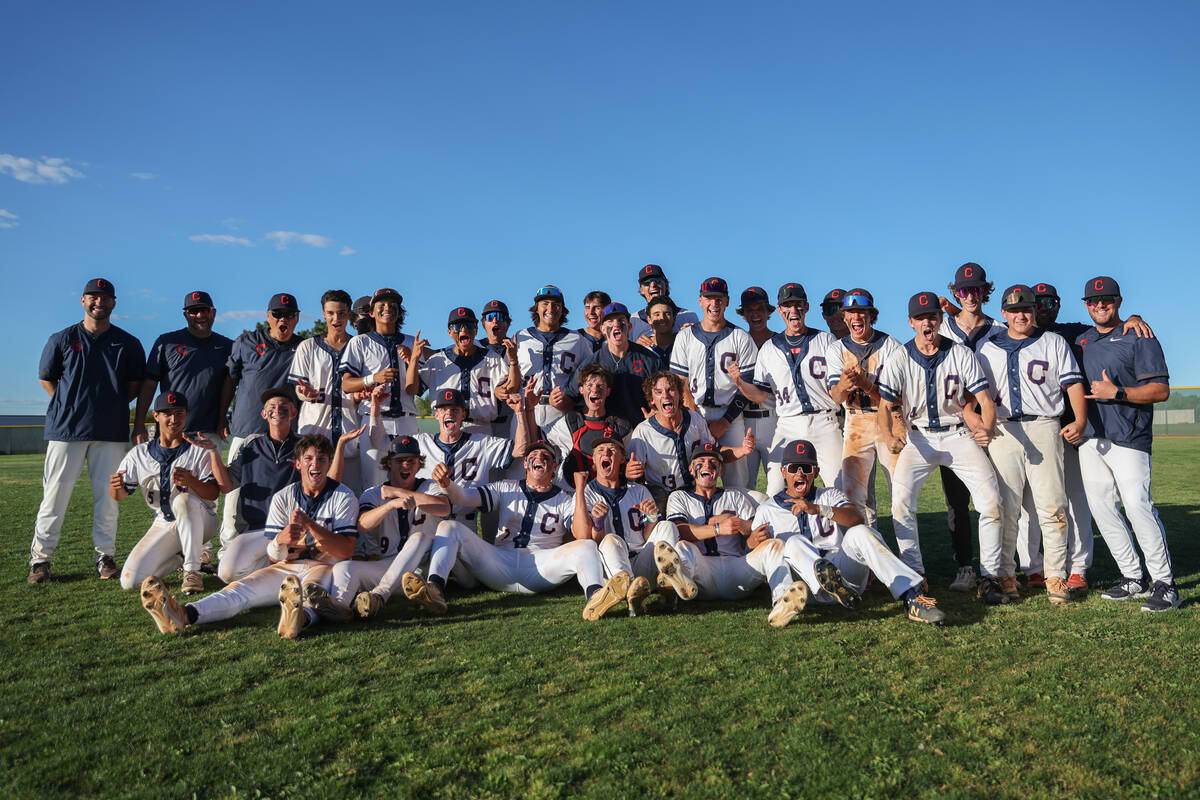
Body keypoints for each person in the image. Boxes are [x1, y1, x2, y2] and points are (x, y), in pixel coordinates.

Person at [138, 433, 359, 638]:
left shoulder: (343, 496)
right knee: (240, 589)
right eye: (309, 458)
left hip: (325, 567)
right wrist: (281, 540)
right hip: (287, 567)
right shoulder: (284, 497)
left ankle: (299, 619)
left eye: (321, 459)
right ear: (298, 463)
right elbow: (274, 557)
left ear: (329, 463)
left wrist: (311, 526)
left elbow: (345, 551)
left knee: (312, 595)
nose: (315, 464)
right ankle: (184, 614)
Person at [397, 440, 631, 621]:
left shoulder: (564, 498)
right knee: (449, 527)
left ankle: (595, 597)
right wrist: (447, 485)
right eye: (533, 456)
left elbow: (581, 534)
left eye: (545, 456)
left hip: (542, 565)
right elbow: (465, 497)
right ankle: (435, 590)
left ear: (553, 466)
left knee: (587, 545)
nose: (538, 457)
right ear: (526, 464)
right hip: (500, 561)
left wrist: (579, 489)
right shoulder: (506, 487)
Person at [876, 291, 1005, 602]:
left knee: (991, 503)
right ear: (911, 323)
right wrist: (889, 435)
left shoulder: (960, 353)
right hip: (919, 437)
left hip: (958, 434)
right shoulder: (900, 357)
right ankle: (914, 575)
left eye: (932, 317)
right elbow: (883, 405)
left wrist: (986, 428)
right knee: (901, 505)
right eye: (920, 318)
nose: (927, 323)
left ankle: (989, 576)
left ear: (940, 319)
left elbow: (985, 401)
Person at [751, 439, 946, 625]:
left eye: (807, 468)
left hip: (845, 578)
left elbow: (856, 518)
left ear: (816, 472)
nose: (800, 475)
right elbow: (755, 554)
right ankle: (805, 593)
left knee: (860, 532)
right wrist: (752, 540)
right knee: (793, 543)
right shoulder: (767, 509)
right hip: (804, 590)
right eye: (794, 469)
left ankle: (911, 598)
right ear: (783, 471)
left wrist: (818, 509)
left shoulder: (829, 495)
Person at [29, 277, 146, 583]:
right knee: (54, 497)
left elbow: (133, 387)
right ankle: (40, 560)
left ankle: (105, 556)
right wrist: (71, 403)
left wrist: (105, 404)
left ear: (113, 303)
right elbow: (47, 379)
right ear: (82, 301)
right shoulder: (62, 338)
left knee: (108, 498)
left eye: (105, 298)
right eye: (93, 297)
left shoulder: (128, 343)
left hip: (110, 431)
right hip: (66, 431)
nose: (99, 302)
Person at [976, 285, 1086, 605]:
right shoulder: (987, 346)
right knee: (1006, 508)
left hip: (1044, 424)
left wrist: (1078, 420)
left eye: (1026, 309)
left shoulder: (1052, 342)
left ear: (1035, 311)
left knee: (1052, 505)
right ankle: (1007, 574)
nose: (1020, 315)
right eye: (1013, 310)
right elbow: (975, 392)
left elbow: (1073, 383)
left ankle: (1055, 575)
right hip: (1003, 430)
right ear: (1003, 314)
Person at [1074, 276, 1178, 611]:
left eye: (1107, 300)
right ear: (1086, 304)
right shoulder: (1081, 339)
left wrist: (1118, 392)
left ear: (1119, 301)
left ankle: (1165, 583)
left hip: (1129, 437)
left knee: (1137, 506)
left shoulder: (1138, 336)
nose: (1100, 305)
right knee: (1103, 509)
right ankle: (1133, 577)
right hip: (1092, 439)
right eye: (1093, 301)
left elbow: (1160, 391)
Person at [653, 442, 807, 627]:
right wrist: (718, 528)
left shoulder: (735, 496)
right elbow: (679, 530)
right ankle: (680, 582)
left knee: (775, 545)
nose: (707, 465)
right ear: (691, 469)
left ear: (720, 471)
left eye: (713, 462)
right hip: (702, 571)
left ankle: (782, 602)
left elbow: (755, 531)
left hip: (737, 567)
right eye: (701, 461)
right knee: (682, 547)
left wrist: (742, 526)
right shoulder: (679, 497)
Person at [313, 435, 451, 621]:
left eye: (412, 460)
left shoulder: (428, 486)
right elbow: (361, 524)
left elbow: (444, 508)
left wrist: (397, 493)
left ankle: (379, 596)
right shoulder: (374, 493)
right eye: (399, 461)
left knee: (419, 537)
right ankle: (339, 607)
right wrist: (390, 505)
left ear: (419, 464)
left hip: (421, 571)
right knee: (345, 567)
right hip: (388, 567)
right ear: (389, 464)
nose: (406, 465)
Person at [725, 282, 841, 495]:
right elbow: (760, 395)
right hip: (788, 423)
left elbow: (837, 387)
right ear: (780, 310)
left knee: (839, 486)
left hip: (825, 420)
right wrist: (739, 382)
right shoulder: (770, 347)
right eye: (787, 305)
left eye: (798, 305)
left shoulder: (825, 339)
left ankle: (845, 528)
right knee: (777, 489)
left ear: (806, 307)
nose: (793, 310)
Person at [112, 392, 222, 594]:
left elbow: (213, 493)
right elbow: (119, 495)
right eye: (167, 414)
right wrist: (116, 486)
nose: (174, 419)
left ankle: (192, 571)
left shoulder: (198, 449)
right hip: (164, 522)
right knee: (130, 581)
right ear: (156, 416)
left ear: (187, 414)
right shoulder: (139, 453)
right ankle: (181, 556)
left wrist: (192, 482)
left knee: (183, 500)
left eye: (179, 413)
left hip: (202, 519)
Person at [217, 292, 302, 547]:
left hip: (284, 437)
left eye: (289, 315)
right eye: (277, 314)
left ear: (297, 319)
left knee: (281, 497)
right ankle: (228, 549)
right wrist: (222, 416)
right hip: (246, 429)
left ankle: (278, 549)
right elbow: (230, 380)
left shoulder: (304, 347)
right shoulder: (247, 341)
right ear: (268, 317)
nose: (282, 319)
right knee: (235, 497)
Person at [824, 289, 904, 527]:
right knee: (855, 497)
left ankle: (911, 562)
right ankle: (867, 560)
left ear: (871, 315)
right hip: (856, 420)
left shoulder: (890, 345)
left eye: (862, 312)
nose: (856, 317)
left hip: (890, 419)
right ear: (844, 317)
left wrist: (866, 384)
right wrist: (844, 385)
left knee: (901, 494)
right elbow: (836, 396)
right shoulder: (836, 349)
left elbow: (896, 398)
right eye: (851, 312)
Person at [670, 276, 758, 489]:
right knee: (692, 473)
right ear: (700, 301)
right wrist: (695, 414)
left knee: (737, 481)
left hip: (729, 414)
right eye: (709, 298)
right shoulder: (685, 337)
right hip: (695, 411)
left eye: (719, 298)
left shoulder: (740, 336)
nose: (714, 303)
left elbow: (747, 387)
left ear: (727, 302)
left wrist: (724, 422)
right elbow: (680, 380)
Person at [215, 387, 303, 583]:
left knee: (304, 570)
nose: (277, 410)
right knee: (226, 573)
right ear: (264, 414)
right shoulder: (250, 444)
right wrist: (213, 452)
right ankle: (272, 568)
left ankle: (277, 567)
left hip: (290, 530)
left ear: (294, 412)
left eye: (284, 406)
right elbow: (227, 485)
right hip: (256, 528)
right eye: (271, 407)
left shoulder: (304, 446)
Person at [627, 370, 749, 508]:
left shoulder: (694, 419)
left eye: (671, 390)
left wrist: (743, 450)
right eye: (658, 392)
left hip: (695, 492)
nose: (666, 396)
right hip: (662, 497)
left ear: (680, 394)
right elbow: (631, 479)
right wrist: (629, 472)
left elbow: (715, 453)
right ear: (651, 400)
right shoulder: (643, 432)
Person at [339, 287, 420, 485]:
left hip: (407, 420)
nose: (387, 308)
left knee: (410, 484)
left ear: (399, 312)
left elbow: (413, 390)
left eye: (393, 305)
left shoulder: (411, 342)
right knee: (373, 485)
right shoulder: (360, 342)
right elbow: (346, 384)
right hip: (374, 418)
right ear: (371, 312)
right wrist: (373, 378)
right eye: (381, 304)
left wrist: (413, 362)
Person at [134, 290, 233, 446]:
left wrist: (222, 419)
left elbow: (230, 385)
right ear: (186, 315)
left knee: (209, 472)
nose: (200, 315)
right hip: (170, 430)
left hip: (208, 431)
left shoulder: (227, 346)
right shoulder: (167, 342)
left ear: (213, 312)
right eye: (194, 311)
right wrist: (139, 424)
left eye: (204, 310)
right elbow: (149, 384)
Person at [289, 290, 363, 492]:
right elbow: (299, 388)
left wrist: (359, 395)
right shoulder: (308, 347)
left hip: (351, 433)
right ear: (323, 313)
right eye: (330, 313)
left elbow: (361, 387)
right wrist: (305, 393)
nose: (336, 318)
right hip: (314, 433)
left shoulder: (359, 346)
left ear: (349, 314)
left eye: (341, 313)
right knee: (313, 496)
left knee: (351, 498)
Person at [413, 388, 515, 532]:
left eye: (455, 410)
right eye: (443, 409)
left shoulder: (481, 443)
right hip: (428, 521)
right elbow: (383, 443)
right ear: (436, 414)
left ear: (463, 415)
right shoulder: (421, 442)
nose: (449, 413)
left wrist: (522, 411)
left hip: (465, 522)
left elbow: (519, 450)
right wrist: (374, 410)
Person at [410, 306, 519, 437]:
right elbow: (414, 390)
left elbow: (511, 388)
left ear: (476, 329)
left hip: (482, 427)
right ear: (449, 332)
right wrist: (414, 359)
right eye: (457, 326)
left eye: (469, 325)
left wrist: (513, 361)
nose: (463, 329)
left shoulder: (491, 358)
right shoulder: (437, 361)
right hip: (447, 427)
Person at [568, 302, 665, 429]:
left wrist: (657, 411)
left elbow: (666, 392)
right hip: (604, 433)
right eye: (610, 322)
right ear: (602, 329)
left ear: (629, 326)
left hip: (643, 429)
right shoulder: (591, 363)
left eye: (621, 320)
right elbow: (571, 396)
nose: (616, 325)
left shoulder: (649, 359)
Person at [514, 284, 590, 429]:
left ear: (562, 309)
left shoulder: (576, 339)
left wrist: (571, 396)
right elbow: (507, 374)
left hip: (561, 410)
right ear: (536, 307)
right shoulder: (521, 337)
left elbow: (589, 374)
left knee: (564, 452)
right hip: (526, 408)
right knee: (523, 451)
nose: (550, 309)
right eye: (545, 304)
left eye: (556, 304)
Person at [546, 364, 633, 483]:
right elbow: (541, 444)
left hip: (607, 494)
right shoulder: (568, 423)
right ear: (581, 390)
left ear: (608, 391)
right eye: (589, 385)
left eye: (600, 386)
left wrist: (628, 470)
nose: (595, 390)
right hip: (570, 493)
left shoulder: (622, 427)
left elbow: (629, 462)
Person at [733, 286, 778, 491]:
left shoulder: (780, 342)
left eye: (760, 308)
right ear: (743, 314)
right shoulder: (736, 342)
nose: (755, 314)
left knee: (777, 487)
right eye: (749, 310)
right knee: (744, 487)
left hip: (774, 420)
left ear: (768, 311)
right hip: (744, 420)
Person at [629, 264, 700, 345]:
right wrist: (635, 348)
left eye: (657, 280)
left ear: (666, 285)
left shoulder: (688, 316)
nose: (653, 285)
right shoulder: (633, 320)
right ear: (641, 289)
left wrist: (694, 336)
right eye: (647, 283)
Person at [478, 299, 519, 439]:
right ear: (483, 323)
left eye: (500, 317)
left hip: (511, 417)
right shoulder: (474, 347)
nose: (495, 321)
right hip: (480, 419)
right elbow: (442, 354)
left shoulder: (518, 347)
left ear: (508, 323)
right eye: (490, 317)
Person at [642, 296, 680, 361]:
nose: (662, 318)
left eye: (667, 314)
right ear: (649, 319)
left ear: (674, 318)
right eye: (657, 314)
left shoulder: (683, 343)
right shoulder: (643, 348)